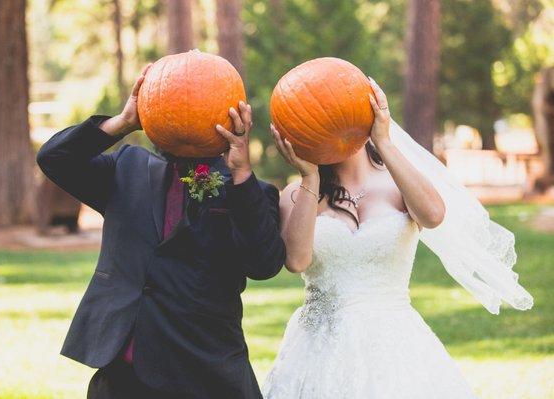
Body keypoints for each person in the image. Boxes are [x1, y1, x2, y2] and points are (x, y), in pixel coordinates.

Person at [262, 78, 533, 398]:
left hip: (396, 342)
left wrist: (385, 141)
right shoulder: (296, 194)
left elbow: (433, 216)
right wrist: (310, 176)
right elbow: (297, 260)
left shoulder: (397, 183)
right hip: (317, 345)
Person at [37, 65, 286, 399]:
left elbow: (264, 264)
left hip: (202, 370)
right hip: (122, 371)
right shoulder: (125, 169)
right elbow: (55, 158)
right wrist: (122, 122)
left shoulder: (245, 190)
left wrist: (241, 173)